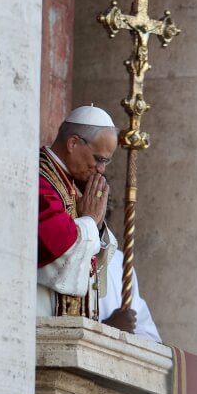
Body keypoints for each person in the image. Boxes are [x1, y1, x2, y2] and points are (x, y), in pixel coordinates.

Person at [37, 105, 128, 322]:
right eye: (99, 159)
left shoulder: (69, 183)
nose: (101, 169)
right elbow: (54, 245)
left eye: (106, 161)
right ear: (73, 143)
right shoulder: (39, 179)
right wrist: (90, 221)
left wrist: (97, 224)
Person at [99, 190, 163, 343]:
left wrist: (127, 333)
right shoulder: (59, 255)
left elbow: (150, 338)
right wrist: (106, 330)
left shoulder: (120, 262)